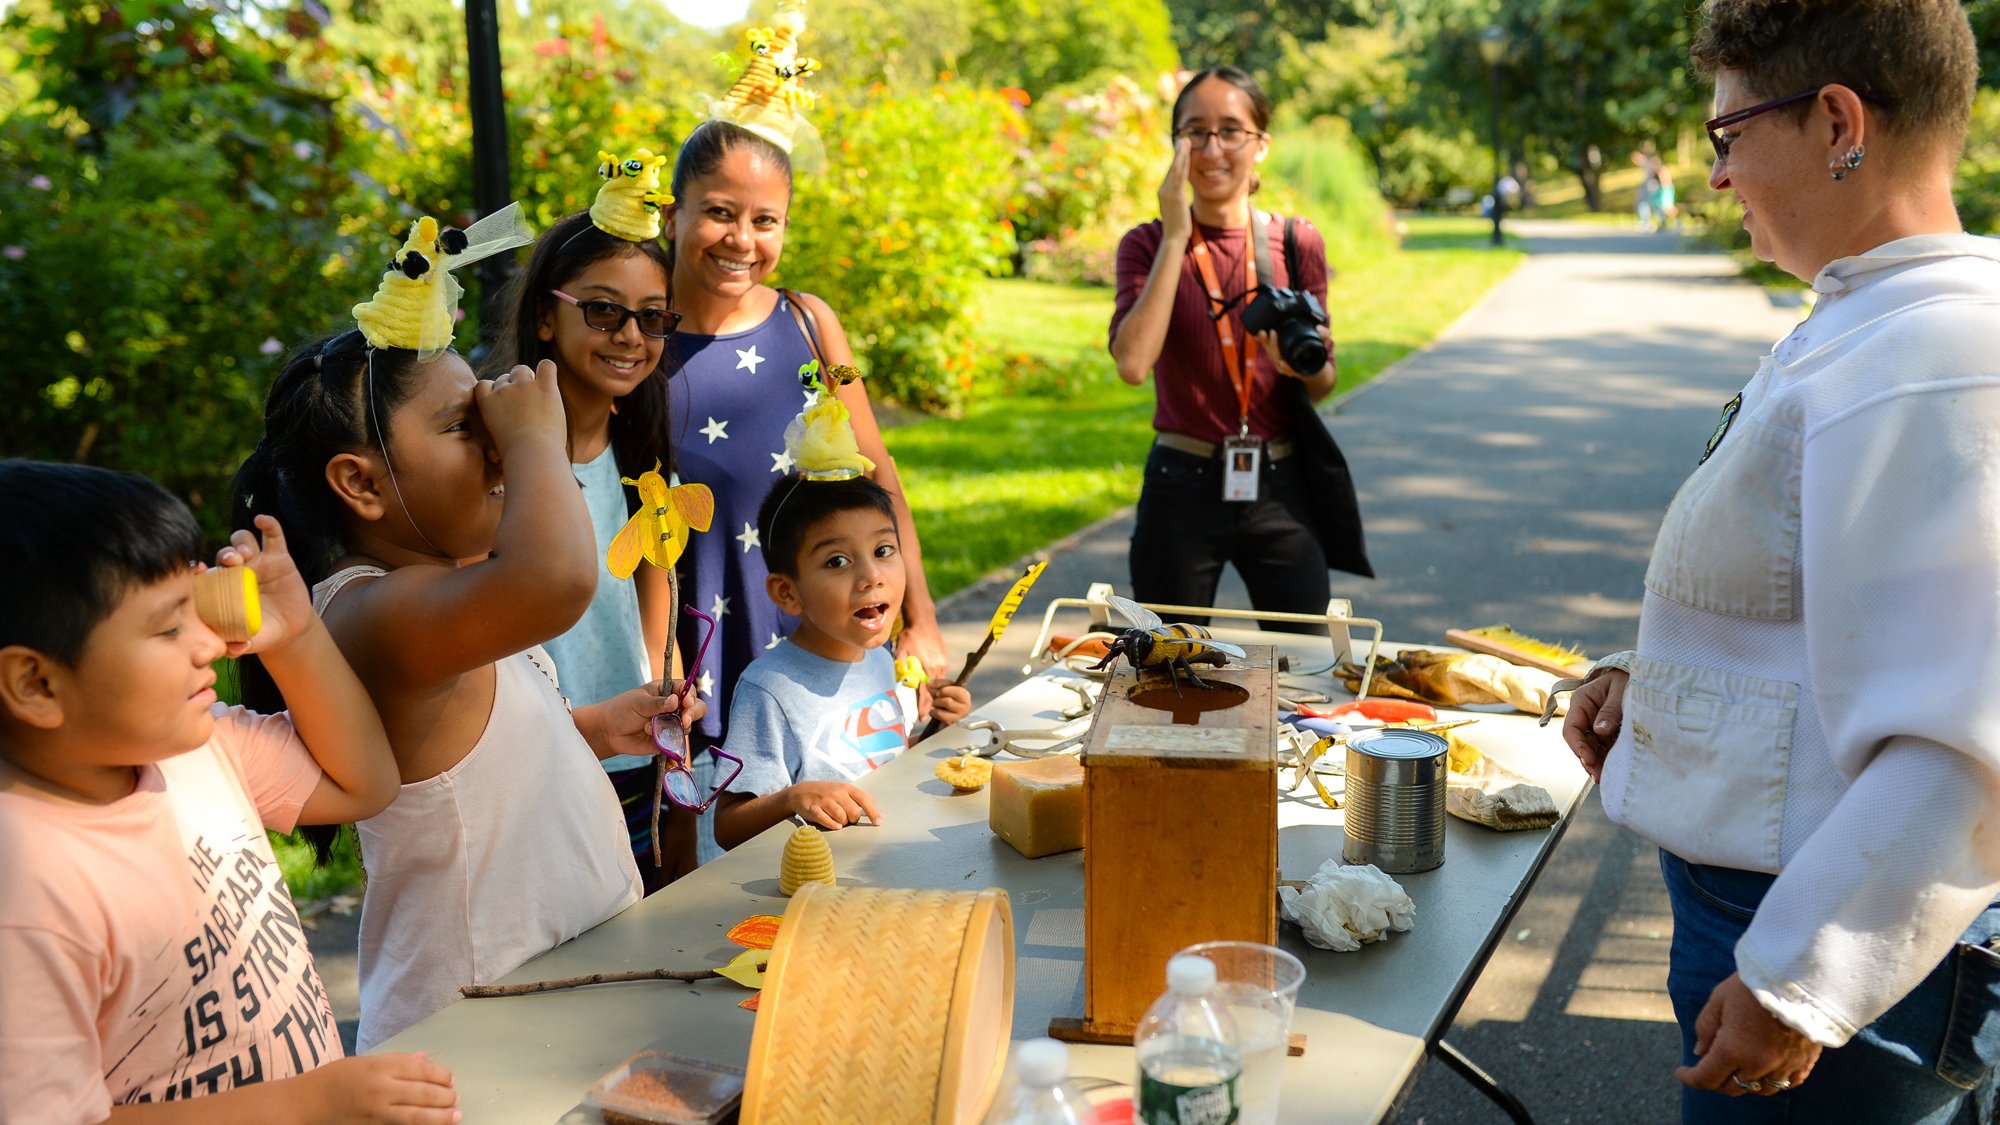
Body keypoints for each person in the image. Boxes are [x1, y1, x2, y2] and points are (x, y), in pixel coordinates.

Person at [1558, 1, 2000, 1119]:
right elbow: (1820, 611)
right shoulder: (1867, 321)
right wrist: (1654, 680)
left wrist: (1802, 981)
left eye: (1728, 134)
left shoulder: (1933, 357)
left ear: (1837, 120)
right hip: (1771, 905)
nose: (1714, 174)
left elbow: (1967, 736)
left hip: (1838, 952)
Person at [234, 210, 697, 1051]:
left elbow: (461, 773)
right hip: (470, 1040)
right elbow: (557, 578)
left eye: (491, 424)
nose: (492, 443)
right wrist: (536, 440)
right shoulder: (368, 612)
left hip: (544, 1007)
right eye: (464, 426)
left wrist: (588, 729)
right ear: (360, 484)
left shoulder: (443, 593)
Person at [0, 461, 460, 1122]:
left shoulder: (198, 747)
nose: (207, 644)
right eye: (166, 628)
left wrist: (297, 636)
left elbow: (366, 783)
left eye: (195, 610)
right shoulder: (26, 888)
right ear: (36, 684)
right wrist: (307, 1104)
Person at [663, 118, 953, 844]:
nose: (742, 239)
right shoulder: (640, 340)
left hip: (821, 627)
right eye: (720, 212)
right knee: (707, 855)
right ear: (675, 213)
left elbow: (877, 476)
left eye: (766, 220)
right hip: (696, 642)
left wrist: (920, 617)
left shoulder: (809, 322)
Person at [1109, 66, 1369, 632]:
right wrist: (1177, 235)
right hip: (1183, 480)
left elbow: (1324, 380)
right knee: (1165, 666)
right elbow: (1132, 364)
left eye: (1231, 130)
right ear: (1175, 143)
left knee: (1303, 661)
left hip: (1279, 480)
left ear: (1261, 145)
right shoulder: (1147, 244)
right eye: (1194, 131)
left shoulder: (1297, 242)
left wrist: (1300, 368)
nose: (1212, 148)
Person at [486, 149, 685, 893]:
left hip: (633, 758)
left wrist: (667, 686)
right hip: (535, 762)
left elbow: (654, 580)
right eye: (603, 310)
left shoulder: (642, 454)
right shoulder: (495, 462)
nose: (631, 334)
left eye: (652, 316)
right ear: (546, 314)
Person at [713, 474, 971, 849]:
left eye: (883, 550)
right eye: (837, 561)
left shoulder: (879, 659)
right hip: (820, 890)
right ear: (787, 592)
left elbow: (875, 762)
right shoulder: (770, 689)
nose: (871, 577)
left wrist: (935, 733)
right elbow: (728, 825)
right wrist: (791, 799)